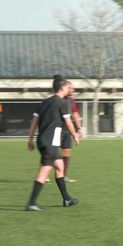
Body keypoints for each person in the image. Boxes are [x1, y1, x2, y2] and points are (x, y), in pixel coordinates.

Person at [25, 79, 80, 211]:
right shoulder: (62, 103)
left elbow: (34, 121)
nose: (70, 90)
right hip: (49, 142)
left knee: (60, 167)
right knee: (45, 170)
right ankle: (31, 203)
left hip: (46, 141)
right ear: (63, 87)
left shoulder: (45, 102)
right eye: (69, 87)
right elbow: (68, 122)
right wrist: (75, 135)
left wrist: (30, 139)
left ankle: (67, 199)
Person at [52, 74, 83, 183]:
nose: (73, 89)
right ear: (64, 87)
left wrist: (79, 128)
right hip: (57, 130)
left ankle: (63, 176)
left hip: (67, 130)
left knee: (66, 153)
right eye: (70, 87)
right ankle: (45, 173)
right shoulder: (57, 99)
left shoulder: (71, 100)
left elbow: (75, 114)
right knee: (52, 152)